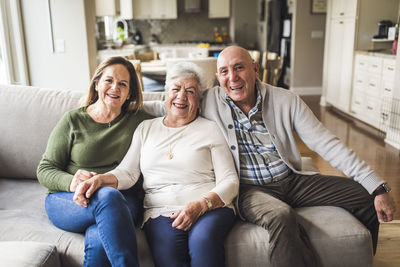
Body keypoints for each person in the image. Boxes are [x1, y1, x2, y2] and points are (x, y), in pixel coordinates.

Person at [198, 45, 396, 267]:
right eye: (224, 71)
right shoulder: (207, 101)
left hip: (292, 179)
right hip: (249, 189)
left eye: (239, 68)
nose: (232, 77)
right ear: (218, 77)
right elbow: (170, 102)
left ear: (255, 69)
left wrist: (377, 186)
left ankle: (366, 259)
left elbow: (326, 143)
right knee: (281, 215)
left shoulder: (286, 100)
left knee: (366, 196)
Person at [73, 62, 239, 267]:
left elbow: (230, 180)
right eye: (175, 89)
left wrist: (201, 205)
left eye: (190, 91)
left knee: (202, 241)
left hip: (208, 207)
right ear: (165, 95)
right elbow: (127, 173)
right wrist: (99, 180)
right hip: (160, 210)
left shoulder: (210, 129)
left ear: (199, 99)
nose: (181, 96)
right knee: (169, 257)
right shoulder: (146, 128)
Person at [37, 56, 153, 267]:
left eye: (123, 84)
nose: (114, 88)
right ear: (97, 83)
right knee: (108, 198)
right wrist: (73, 182)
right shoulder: (73, 120)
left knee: (100, 237)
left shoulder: (141, 122)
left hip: (122, 199)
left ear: (129, 93)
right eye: (108, 80)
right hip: (70, 200)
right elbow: (45, 169)